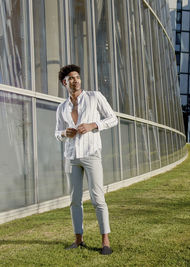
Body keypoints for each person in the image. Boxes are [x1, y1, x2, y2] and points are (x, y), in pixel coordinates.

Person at [55, 64, 118, 255]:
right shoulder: (62, 107)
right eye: (71, 78)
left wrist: (93, 125)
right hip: (72, 157)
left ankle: (105, 241)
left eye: (78, 77)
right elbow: (57, 132)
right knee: (74, 200)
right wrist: (64, 133)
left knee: (97, 198)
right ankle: (78, 239)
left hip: (91, 154)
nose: (76, 80)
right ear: (65, 83)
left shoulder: (94, 97)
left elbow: (113, 118)